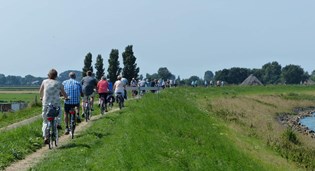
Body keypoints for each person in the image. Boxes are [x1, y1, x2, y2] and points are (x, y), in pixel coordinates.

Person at [39, 69, 69, 144]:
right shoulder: (59, 83)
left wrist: (41, 97)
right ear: (56, 76)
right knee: (59, 113)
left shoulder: (44, 81)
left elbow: (40, 91)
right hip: (55, 104)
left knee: (45, 121)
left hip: (46, 104)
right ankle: (58, 123)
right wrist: (66, 97)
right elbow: (63, 92)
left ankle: (46, 136)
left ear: (48, 75)